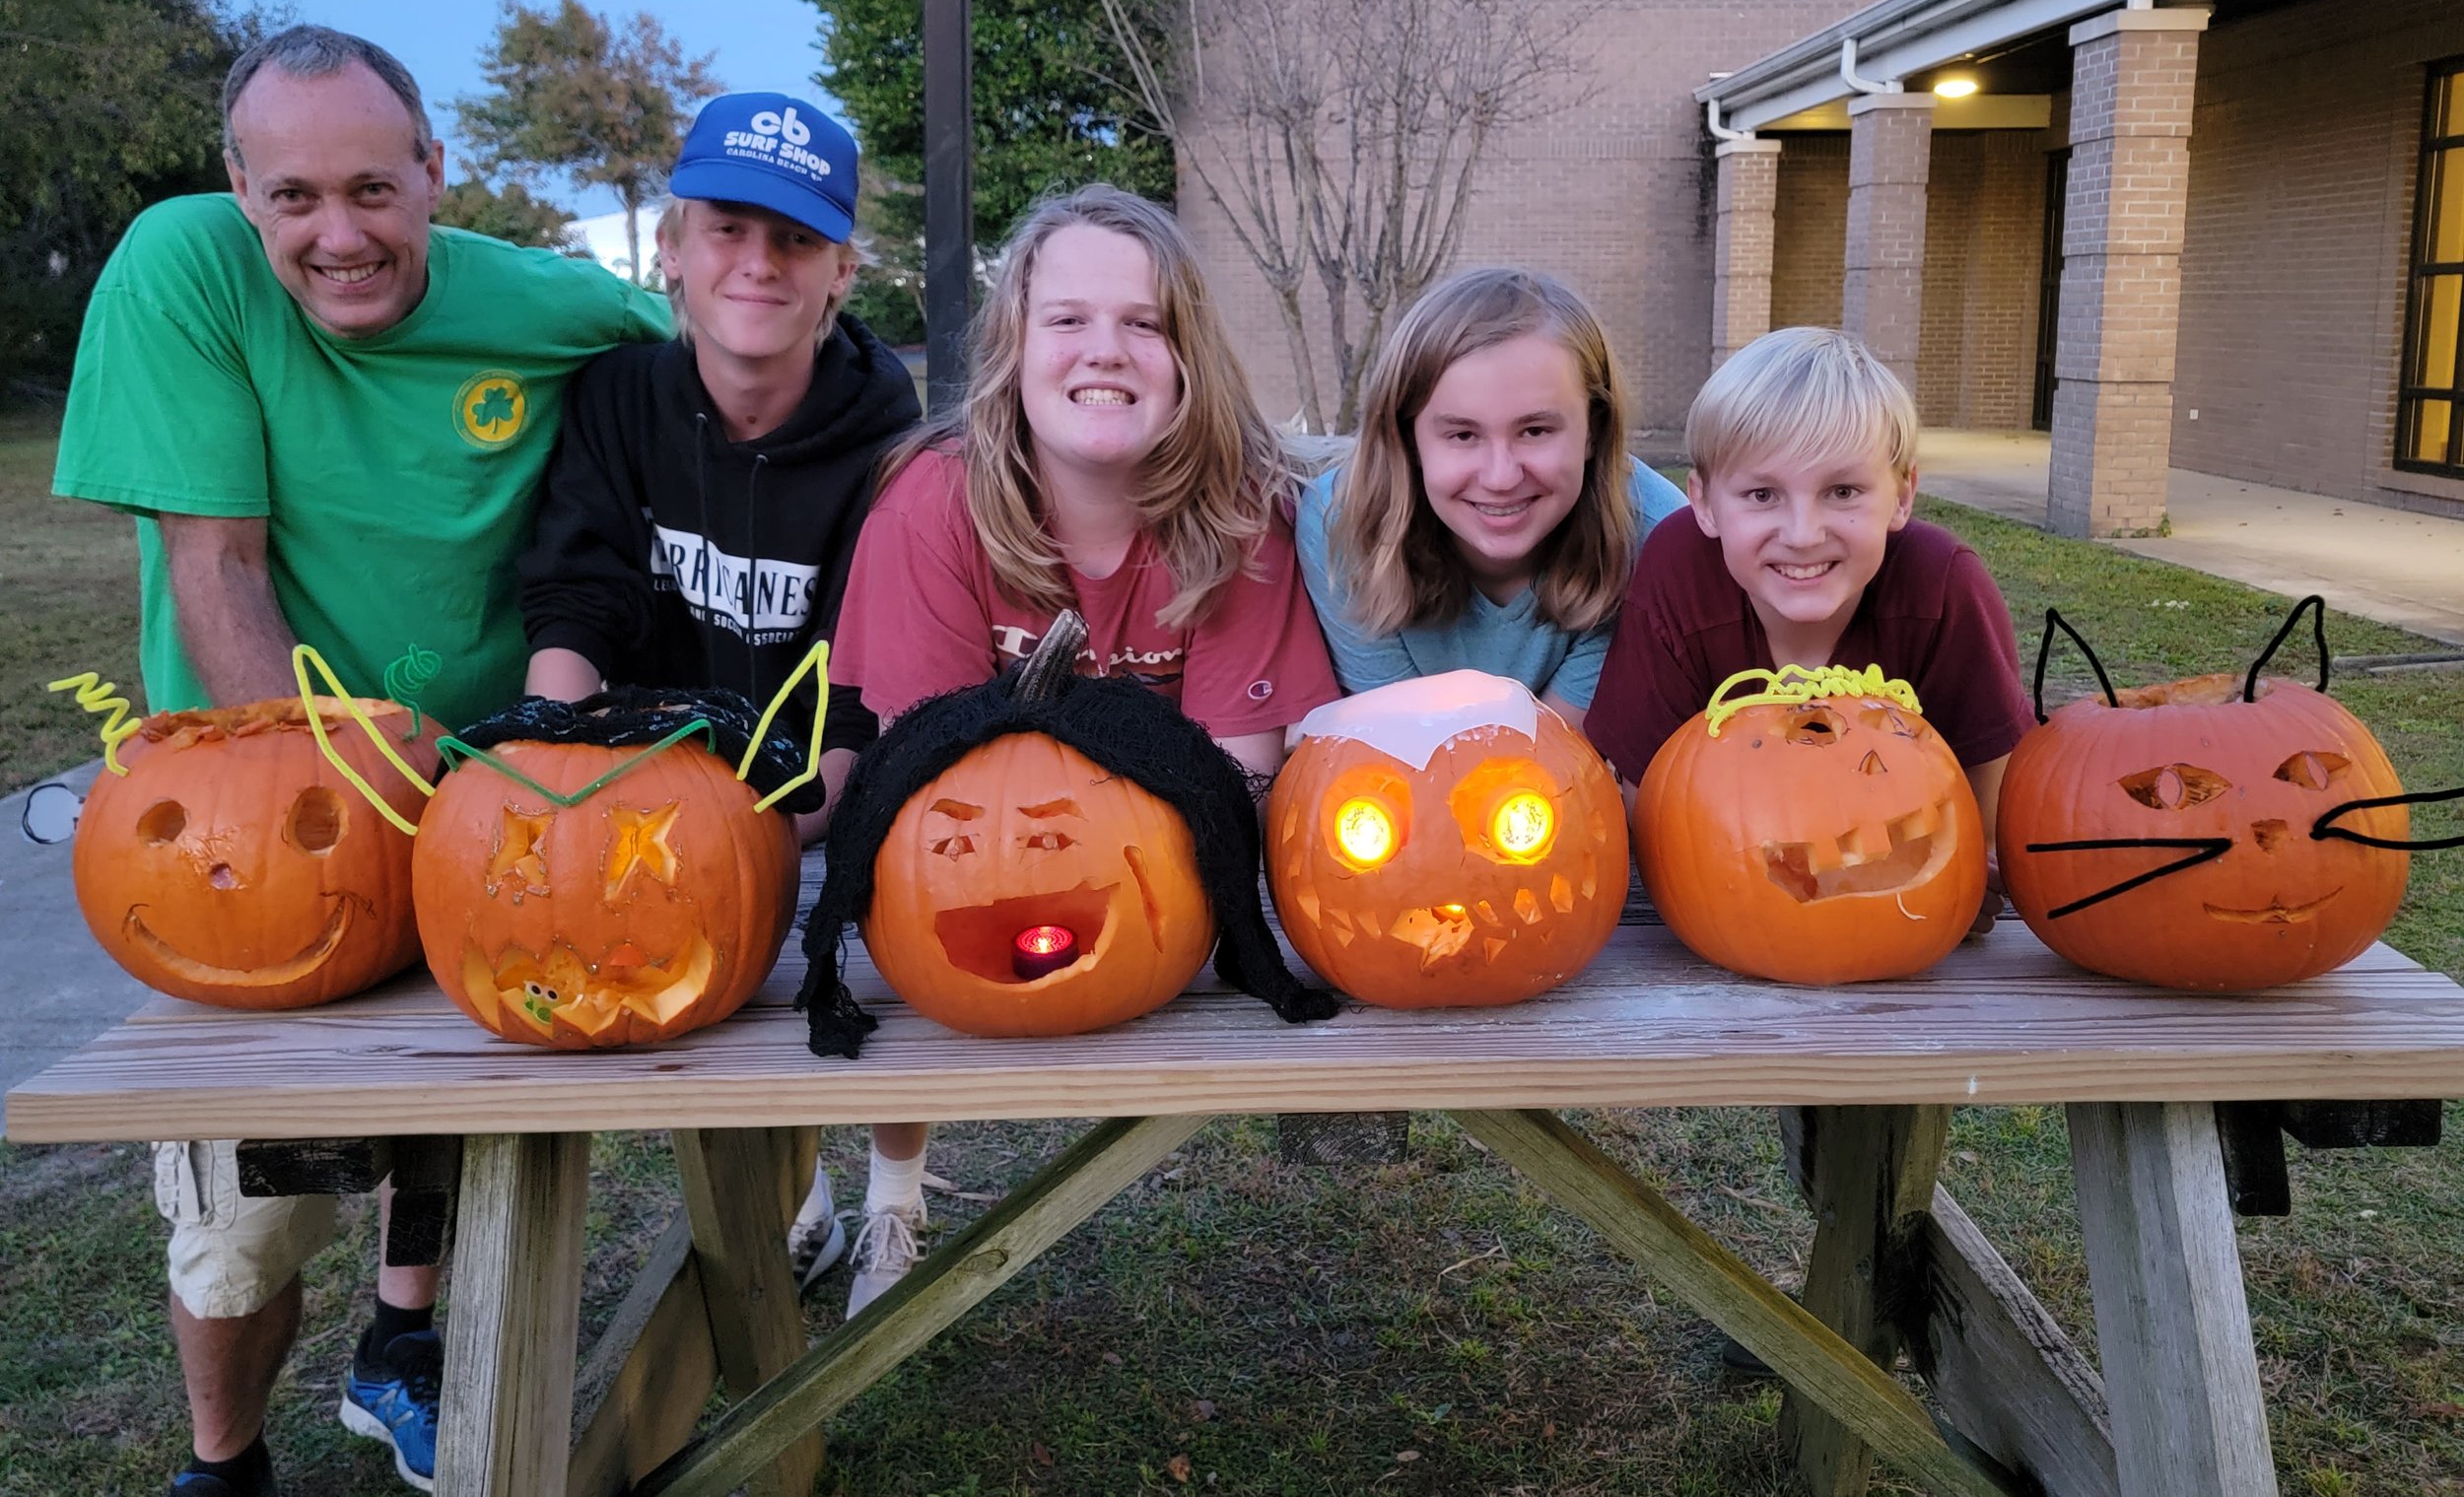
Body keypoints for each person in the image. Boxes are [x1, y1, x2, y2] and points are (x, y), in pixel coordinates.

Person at [53, 25, 669, 1497]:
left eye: (378, 191)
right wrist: (334, 807)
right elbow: (217, 562)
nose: (342, 233)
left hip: (482, 790)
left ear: (435, 174)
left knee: (460, 1103)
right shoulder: (181, 268)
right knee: (248, 1203)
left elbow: (739, 359)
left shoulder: (555, 303)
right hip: (259, 813)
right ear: (239, 187)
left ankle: (400, 1341)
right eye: (298, 198)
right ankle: (226, 1457)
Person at [828, 181, 1340, 1315]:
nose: (1104, 349)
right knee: (918, 920)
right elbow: (928, 788)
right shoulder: (932, 504)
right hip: (972, 866)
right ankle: (890, 1196)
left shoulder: (1241, 518)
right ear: (1014, 347)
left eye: (1142, 322)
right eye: (1066, 319)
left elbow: (1238, 780)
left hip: (1164, 905)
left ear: (1186, 353)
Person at [519, 90, 922, 1290]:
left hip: (829, 772)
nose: (759, 262)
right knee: (688, 968)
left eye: (795, 238)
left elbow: (874, 659)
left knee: (898, 927)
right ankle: (792, 1191)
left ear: (842, 268)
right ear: (673, 251)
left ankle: (896, 1182)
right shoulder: (615, 400)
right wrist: (551, 764)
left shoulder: (890, 433)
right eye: (730, 230)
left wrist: (815, 806)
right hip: (662, 774)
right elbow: (574, 599)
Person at [1585, 325, 2033, 844]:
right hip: (1725, 884)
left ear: (1902, 496)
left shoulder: (1944, 587)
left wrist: (1962, 878)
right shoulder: (1678, 574)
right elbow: (1654, 809)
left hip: (1906, 887)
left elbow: (1988, 803)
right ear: (1704, 503)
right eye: (1761, 495)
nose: (1803, 535)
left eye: (1843, 491)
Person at [1293, 267, 1686, 728]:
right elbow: (1404, 739)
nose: (1501, 477)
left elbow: (1556, 748)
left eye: (1535, 430)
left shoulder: (1654, 536)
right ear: (1408, 438)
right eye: (1462, 435)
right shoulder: (1341, 524)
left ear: (1593, 431)